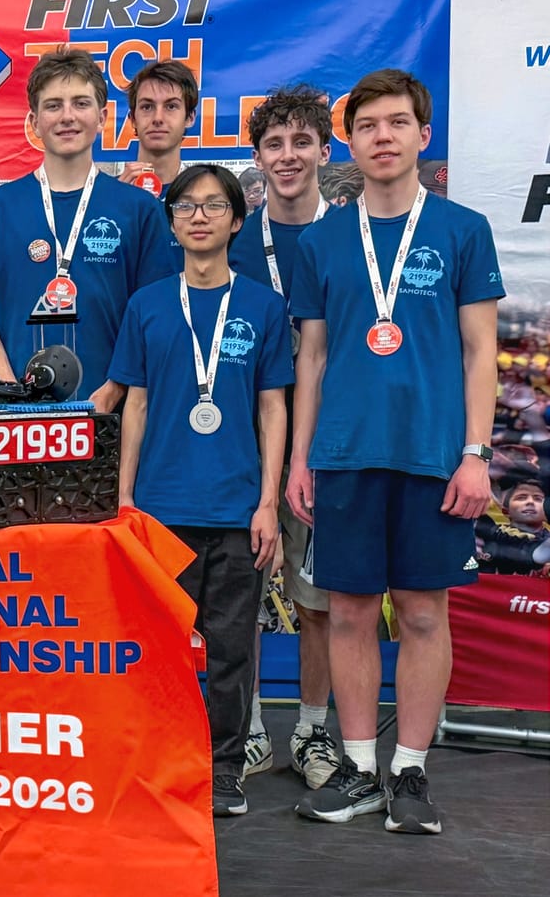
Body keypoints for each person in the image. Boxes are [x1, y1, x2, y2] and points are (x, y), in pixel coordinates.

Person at [287, 69, 504, 834]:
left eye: (397, 122)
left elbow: (481, 351)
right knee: (347, 613)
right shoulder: (321, 240)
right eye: (368, 124)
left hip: (433, 456)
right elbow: (312, 358)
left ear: (423, 134)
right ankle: (358, 769)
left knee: (421, 611)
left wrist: (476, 453)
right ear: (349, 141)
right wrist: (300, 459)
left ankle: (409, 772)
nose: (383, 136)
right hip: (344, 455)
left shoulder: (462, 229)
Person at [109, 164, 292, 817]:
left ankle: (222, 771)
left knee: (231, 650)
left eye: (214, 206)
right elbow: (134, 405)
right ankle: (162, 763)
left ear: (237, 220)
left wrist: (268, 503)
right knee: (158, 651)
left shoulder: (263, 307)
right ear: (172, 222)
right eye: (186, 206)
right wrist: (124, 500)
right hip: (160, 510)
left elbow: (273, 409)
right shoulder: (147, 305)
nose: (199, 217)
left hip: (237, 510)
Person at [229, 85, 339, 790]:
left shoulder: (353, 236)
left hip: (328, 445)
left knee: (316, 598)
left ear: (325, 151)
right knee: (238, 593)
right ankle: (244, 732)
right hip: (245, 441)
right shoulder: (234, 240)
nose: (288, 155)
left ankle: (311, 730)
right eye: (275, 143)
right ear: (259, 157)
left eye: (302, 142)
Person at [0, 48, 174, 414]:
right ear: (34, 121)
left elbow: (155, 318)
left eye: (81, 103)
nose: (67, 116)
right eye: (53, 105)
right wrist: (12, 397)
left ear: (102, 117)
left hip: (112, 413)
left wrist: (114, 390)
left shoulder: (139, 209)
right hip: (14, 418)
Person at [118, 59, 199, 272]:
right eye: (147, 107)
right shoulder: (106, 197)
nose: (158, 118)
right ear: (132, 118)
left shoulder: (203, 198)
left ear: (190, 117)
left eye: (171, 106)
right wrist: (114, 208)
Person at [475, 480, 550, 575]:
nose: (530, 502)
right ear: (506, 511)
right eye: (521, 498)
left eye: (538, 499)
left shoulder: (547, 538)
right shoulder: (492, 533)